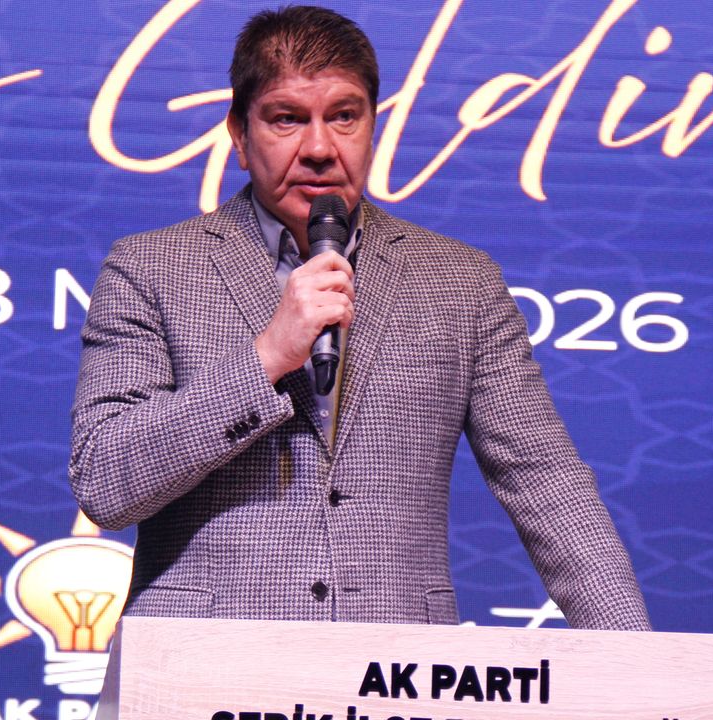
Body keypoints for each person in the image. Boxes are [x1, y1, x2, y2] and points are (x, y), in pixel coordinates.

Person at [69, 5, 650, 631]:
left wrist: (637, 660)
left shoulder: (461, 282)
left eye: (344, 116)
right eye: (287, 119)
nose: (320, 149)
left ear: (374, 126)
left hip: (396, 661)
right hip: (200, 660)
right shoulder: (150, 269)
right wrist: (267, 357)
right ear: (238, 134)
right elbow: (105, 481)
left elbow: (545, 481)